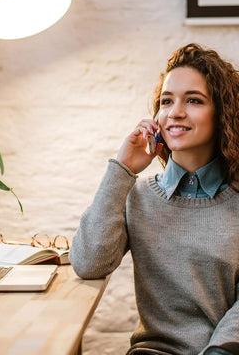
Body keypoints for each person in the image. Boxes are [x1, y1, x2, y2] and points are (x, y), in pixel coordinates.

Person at [69, 43, 239, 355]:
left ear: (222, 114)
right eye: (166, 101)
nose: (175, 112)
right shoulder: (139, 196)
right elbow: (88, 263)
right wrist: (122, 169)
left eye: (194, 100)